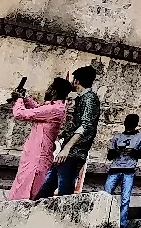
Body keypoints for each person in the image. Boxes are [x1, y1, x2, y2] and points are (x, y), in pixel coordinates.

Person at [35, 64, 101, 200]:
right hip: (68, 151)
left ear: (76, 81)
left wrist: (67, 148)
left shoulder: (89, 99)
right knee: (47, 188)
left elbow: (85, 125)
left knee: (64, 193)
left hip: (74, 153)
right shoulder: (83, 98)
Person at [7, 77, 72, 200]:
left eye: (50, 87)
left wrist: (19, 99)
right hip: (36, 154)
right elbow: (38, 109)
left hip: (37, 156)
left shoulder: (54, 109)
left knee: (28, 189)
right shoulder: (56, 107)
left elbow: (20, 114)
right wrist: (24, 98)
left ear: (54, 92)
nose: (47, 90)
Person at [103, 113, 141, 228]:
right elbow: (109, 156)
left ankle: (121, 225)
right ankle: (103, 220)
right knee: (106, 195)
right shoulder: (117, 137)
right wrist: (118, 151)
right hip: (114, 169)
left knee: (125, 199)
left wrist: (133, 151)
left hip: (129, 170)